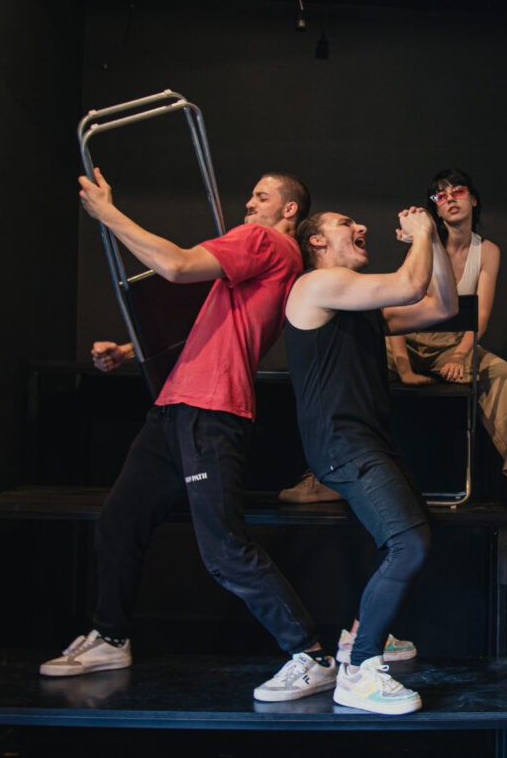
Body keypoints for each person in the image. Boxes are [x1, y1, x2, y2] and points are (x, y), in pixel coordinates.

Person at [40, 171, 339, 705]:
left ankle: (311, 656)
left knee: (223, 549)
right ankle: (110, 637)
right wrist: (129, 352)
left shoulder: (265, 241)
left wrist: (107, 213)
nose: (249, 204)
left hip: (210, 408)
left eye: (262, 196)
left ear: (290, 210)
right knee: (121, 519)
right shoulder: (264, 261)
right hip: (175, 407)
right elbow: (210, 326)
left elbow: (175, 265)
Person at [284, 205, 459, 715]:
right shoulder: (315, 285)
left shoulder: (360, 306)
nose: (361, 228)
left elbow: (443, 305)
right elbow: (409, 284)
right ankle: (359, 670)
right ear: (317, 242)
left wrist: (434, 243)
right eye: (346, 224)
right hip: (343, 444)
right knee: (409, 544)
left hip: (369, 442)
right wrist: (422, 233)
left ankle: (360, 636)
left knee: (414, 534)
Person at [387, 168, 507, 507]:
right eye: (440, 196)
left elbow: (480, 316)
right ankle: (328, 472)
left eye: (457, 191)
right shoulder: (424, 245)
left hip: (453, 345)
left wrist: (460, 355)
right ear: (435, 210)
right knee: (355, 359)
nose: (450, 199)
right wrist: (404, 368)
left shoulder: (487, 251)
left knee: (505, 377)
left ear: (473, 199)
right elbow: (397, 308)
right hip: (407, 342)